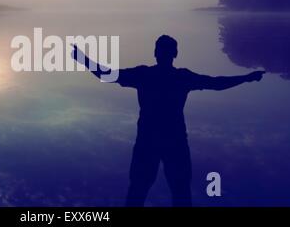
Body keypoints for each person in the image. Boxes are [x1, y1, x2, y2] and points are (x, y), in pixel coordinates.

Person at [71, 35, 265, 207]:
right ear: (175, 54)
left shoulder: (144, 75)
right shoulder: (182, 77)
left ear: (155, 53)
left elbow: (107, 74)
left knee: (138, 191)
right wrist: (246, 78)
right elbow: (216, 83)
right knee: (179, 192)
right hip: (175, 142)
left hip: (148, 141)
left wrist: (83, 59)